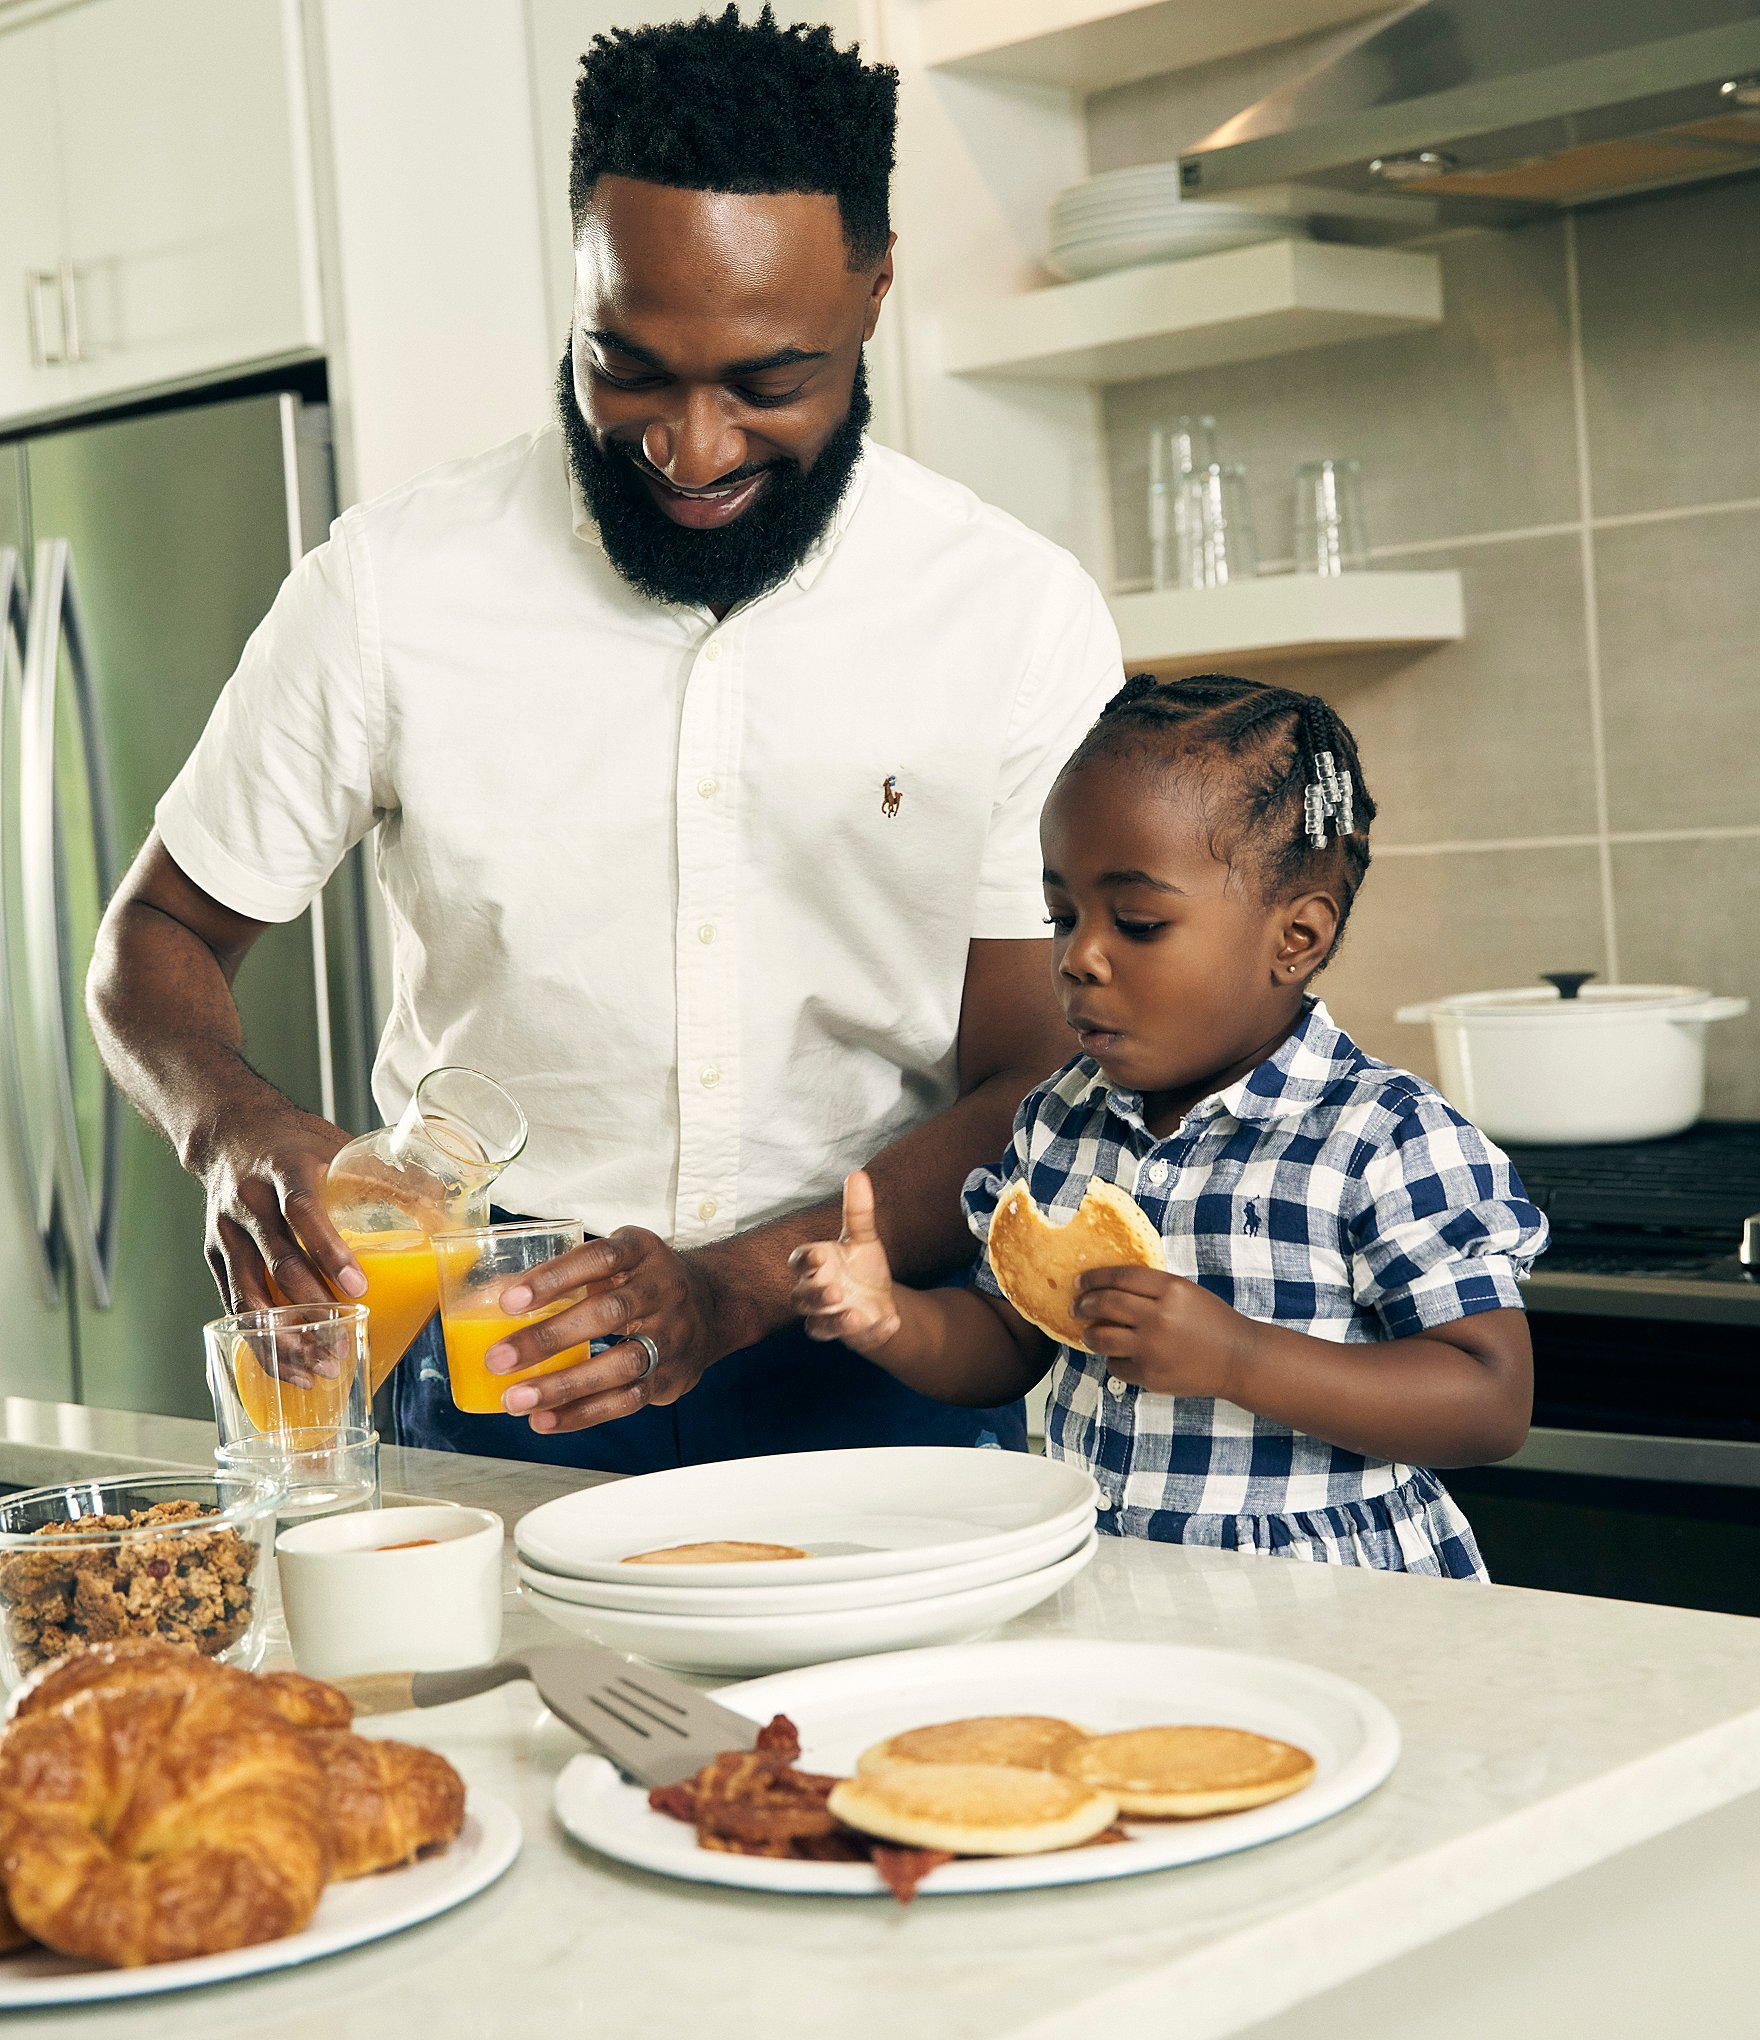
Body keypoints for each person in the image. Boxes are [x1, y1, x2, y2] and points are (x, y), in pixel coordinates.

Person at [84, 8, 1122, 1471]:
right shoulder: (391, 589)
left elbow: (1036, 1075)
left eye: (766, 382)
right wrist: (235, 1130)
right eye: (626, 365)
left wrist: (738, 1289)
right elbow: (153, 944)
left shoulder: (1013, 614)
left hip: (881, 1390)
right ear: (578, 274)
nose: (691, 451)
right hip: (488, 1377)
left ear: (875, 291)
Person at [790, 674, 1550, 1576]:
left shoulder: (1384, 1138)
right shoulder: (1057, 1122)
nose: (1078, 957)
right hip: (1116, 1588)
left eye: (1139, 922)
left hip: (1339, 1604)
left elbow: (1490, 1399)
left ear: (1295, 939)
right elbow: (1007, 1343)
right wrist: (890, 1319)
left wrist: (1235, 1356)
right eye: (1061, 916)